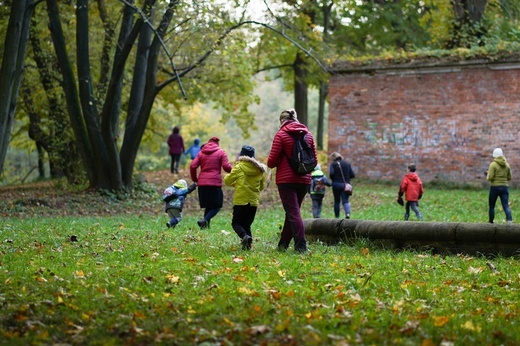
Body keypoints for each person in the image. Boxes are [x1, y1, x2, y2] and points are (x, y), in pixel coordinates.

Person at [267, 109, 317, 253]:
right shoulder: (308, 135)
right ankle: (283, 245)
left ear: (282, 121)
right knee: (292, 212)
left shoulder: (281, 135)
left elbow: (271, 162)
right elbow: (314, 160)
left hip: (286, 180)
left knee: (293, 212)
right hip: (305, 179)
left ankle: (301, 246)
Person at [224, 145, 267, 250]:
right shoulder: (260, 170)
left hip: (241, 201)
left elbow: (227, 181)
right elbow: (261, 186)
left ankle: (244, 236)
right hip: (253, 202)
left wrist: (236, 183)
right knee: (247, 224)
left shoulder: (239, 167)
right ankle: (247, 246)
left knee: (236, 223)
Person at [190, 136, 233, 229]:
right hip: (214, 183)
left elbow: (193, 166)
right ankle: (204, 220)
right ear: (217, 144)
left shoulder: (201, 153)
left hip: (202, 184)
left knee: (209, 206)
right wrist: (235, 171)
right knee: (217, 206)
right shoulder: (221, 152)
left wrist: (195, 179)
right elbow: (226, 167)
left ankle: (204, 227)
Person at [486, 148, 513, 223]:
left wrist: (487, 175)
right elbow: (509, 177)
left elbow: (490, 177)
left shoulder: (493, 164)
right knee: (505, 205)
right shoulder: (507, 165)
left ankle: (491, 222)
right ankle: (510, 220)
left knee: (492, 206)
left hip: (494, 187)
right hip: (504, 187)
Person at [328, 152, 355, 219]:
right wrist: (347, 178)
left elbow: (331, 173)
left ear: (333, 158)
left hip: (336, 185)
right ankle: (347, 214)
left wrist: (334, 179)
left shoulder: (333, 164)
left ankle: (337, 217)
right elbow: (352, 175)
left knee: (337, 201)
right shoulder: (347, 164)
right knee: (345, 200)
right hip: (345, 185)